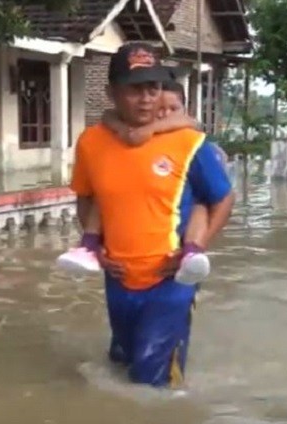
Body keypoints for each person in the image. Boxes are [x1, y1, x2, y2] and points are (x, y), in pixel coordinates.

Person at [68, 42, 234, 388]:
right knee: (122, 360)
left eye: (153, 88)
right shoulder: (91, 143)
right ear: (112, 92)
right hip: (119, 277)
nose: (146, 98)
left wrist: (197, 249)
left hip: (171, 280)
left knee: (150, 379)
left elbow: (222, 198)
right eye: (134, 89)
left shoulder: (190, 143)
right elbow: (86, 198)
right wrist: (96, 249)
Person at [57, 80, 229, 285]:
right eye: (161, 109)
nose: (165, 115)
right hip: (121, 272)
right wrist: (102, 247)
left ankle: (192, 253)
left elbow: (224, 198)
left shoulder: (191, 141)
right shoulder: (109, 139)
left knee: (200, 205)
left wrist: (198, 245)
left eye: (173, 109)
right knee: (102, 199)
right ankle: (89, 247)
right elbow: (108, 117)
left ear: (184, 110)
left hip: (170, 269)